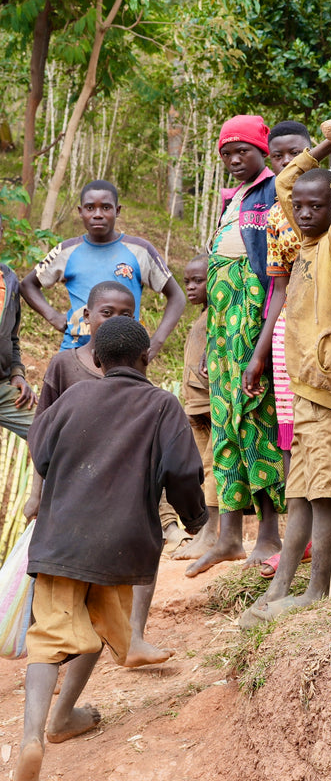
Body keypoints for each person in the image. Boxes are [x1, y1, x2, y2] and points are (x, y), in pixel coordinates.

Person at [17, 316, 206, 781]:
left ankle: (32, 737)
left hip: (62, 538)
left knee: (48, 638)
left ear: (97, 360)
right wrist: (196, 519)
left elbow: (40, 451)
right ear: (146, 358)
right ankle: (67, 717)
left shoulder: (75, 396)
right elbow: (183, 470)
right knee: (100, 623)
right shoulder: (162, 405)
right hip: (122, 544)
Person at [241, 136, 331, 627]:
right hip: (302, 386)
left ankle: (316, 588)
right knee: (299, 489)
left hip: (328, 389)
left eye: (319, 207)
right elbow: (288, 185)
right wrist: (326, 145)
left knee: (320, 492)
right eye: (302, 208)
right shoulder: (304, 244)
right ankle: (281, 584)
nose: (306, 213)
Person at [31, 280, 179, 667]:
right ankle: (66, 698)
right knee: (73, 602)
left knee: (126, 573)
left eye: (125, 314)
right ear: (87, 316)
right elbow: (41, 434)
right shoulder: (64, 366)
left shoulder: (135, 366)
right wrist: (37, 494)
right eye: (106, 312)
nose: (114, 319)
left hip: (124, 495)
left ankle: (135, 636)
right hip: (72, 501)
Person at [185, 114, 287, 577]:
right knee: (225, 423)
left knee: (255, 422)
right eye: (226, 153)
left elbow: (273, 276)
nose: (232, 160)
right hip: (223, 331)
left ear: (261, 150)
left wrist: (261, 348)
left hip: (252, 327)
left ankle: (268, 534)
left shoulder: (274, 193)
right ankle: (228, 536)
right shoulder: (234, 200)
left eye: (241, 151)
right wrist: (211, 339)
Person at [20, 179, 184, 358]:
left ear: (117, 210)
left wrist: (156, 342)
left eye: (106, 207)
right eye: (90, 208)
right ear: (80, 212)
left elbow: (177, 296)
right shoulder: (66, 251)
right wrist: (53, 317)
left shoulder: (140, 250)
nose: (98, 214)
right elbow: (28, 285)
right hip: (75, 353)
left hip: (124, 356)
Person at [256, 119, 313, 461]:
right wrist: (261, 351)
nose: (288, 161)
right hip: (288, 328)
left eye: (296, 152)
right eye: (278, 156)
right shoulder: (275, 215)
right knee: (290, 427)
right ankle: (298, 512)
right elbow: (279, 287)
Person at [172, 256, 220, 563]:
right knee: (204, 468)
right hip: (195, 404)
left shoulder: (217, 316)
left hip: (209, 404)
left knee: (213, 465)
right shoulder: (202, 317)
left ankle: (213, 532)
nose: (191, 287)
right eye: (187, 281)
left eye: (198, 281)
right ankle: (206, 530)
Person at [0, 247, 35, 441]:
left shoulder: (9, 280)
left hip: (2, 388)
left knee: (53, 432)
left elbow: (12, 337)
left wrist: (17, 374)